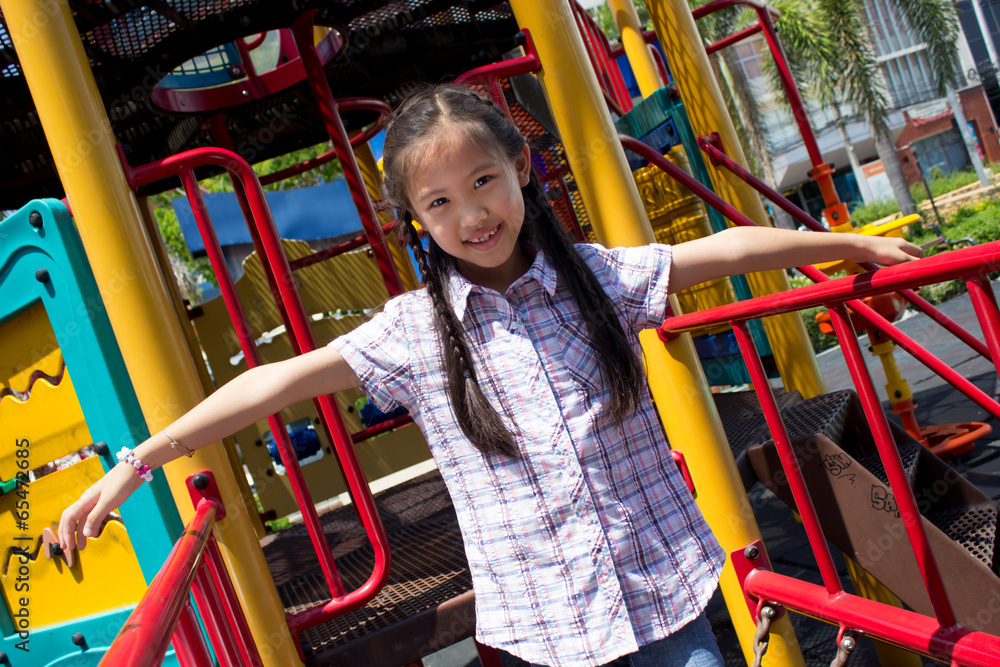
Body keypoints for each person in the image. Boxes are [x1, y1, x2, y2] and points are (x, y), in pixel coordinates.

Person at [58, 84, 922, 667]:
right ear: (414, 219)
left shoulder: (600, 281)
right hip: (547, 627)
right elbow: (272, 382)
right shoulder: (414, 334)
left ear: (522, 171)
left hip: (666, 598)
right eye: (439, 203)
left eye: (485, 181)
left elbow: (719, 249)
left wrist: (844, 245)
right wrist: (139, 462)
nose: (472, 214)